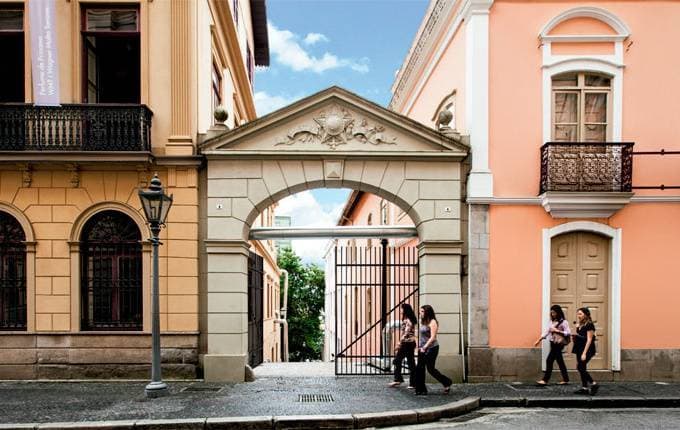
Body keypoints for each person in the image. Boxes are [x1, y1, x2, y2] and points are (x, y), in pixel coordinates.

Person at [413, 304, 452, 395]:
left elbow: (433, 337)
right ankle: (420, 389)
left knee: (430, 369)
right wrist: (418, 345)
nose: (420, 313)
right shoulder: (422, 322)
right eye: (420, 311)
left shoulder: (433, 322)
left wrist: (425, 347)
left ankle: (446, 382)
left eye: (422, 311)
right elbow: (418, 334)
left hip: (432, 348)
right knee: (419, 369)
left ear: (427, 312)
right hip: (422, 348)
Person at [534, 304, 571, 385]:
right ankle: (566, 379)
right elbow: (547, 332)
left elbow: (568, 333)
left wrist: (557, 331)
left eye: (554, 312)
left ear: (558, 312)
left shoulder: (564, 322)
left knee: (549, 360)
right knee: (560, 361)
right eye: (551, 313)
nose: (552, 314)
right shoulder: (551, 321)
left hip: (559, 344)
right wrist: (539, 340)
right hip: (553, 343)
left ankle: (545, 380)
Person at [388, 303, 418, 388]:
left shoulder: (408, 320)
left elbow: (406, 333)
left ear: (405, 310)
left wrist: (399, 343)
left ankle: (399, 380)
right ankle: (411, 382)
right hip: (409, 343)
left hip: (407, 343)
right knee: (409, 362)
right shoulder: (407, 319)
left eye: (401, 309)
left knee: (398, 361)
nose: (400, 310)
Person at [571, 307, 599, 395]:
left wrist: (584, 353)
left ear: (586, 315)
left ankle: (593, 383)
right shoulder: (581, 324)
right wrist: (576, 331)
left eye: (580, 314)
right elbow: (580, 336)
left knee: (580, 367)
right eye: (578, 314)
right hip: (579, 348)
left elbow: (589, 340)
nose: (578, 316)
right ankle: (584, 388)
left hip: (587, 349)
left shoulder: (589, 325)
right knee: (582, 368)